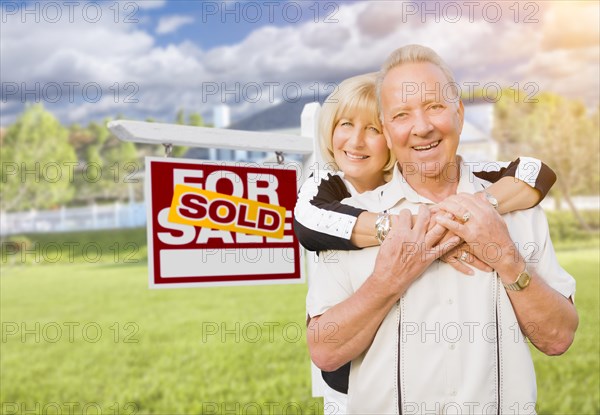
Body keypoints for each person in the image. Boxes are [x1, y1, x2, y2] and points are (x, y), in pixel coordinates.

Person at [305, 45, 578, 414]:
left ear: (459, 114)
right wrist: (389, 279)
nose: (422, 127)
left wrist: (506, 256)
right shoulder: (351, 222)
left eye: (434, 106)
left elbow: (559, 338)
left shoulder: (519, 210)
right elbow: (324, 350)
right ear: (387, 130)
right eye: (402, 114)